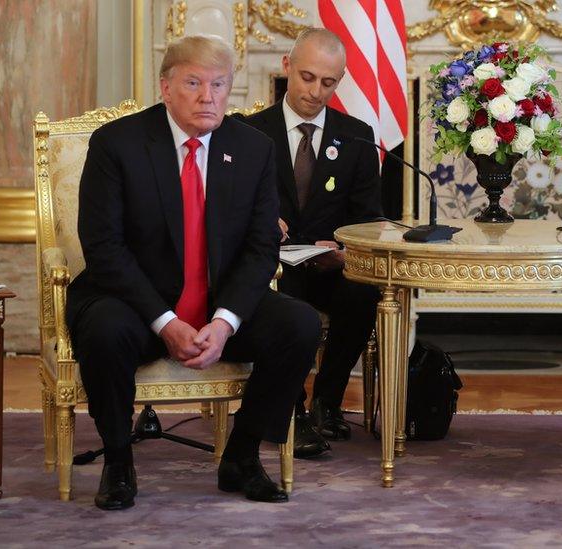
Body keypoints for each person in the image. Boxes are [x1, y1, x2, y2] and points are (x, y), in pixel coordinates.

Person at [67, 35, 323, 510]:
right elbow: (104, 248)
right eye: (194, 83)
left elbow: (261, 246)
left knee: (300, 323)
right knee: (102, 330)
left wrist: (225, 323)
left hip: (216, 306)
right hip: (135, 305)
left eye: (219, 85)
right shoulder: (117, 144)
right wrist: (166, 322)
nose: (209, 97)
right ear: (166, 87)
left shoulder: (252, 148)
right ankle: (118, 462)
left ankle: (242, 455)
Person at [241, 28, 381, 456]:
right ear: (286, 67)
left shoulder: (356, 137)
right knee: (286, 302)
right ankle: (292, 411)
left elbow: (368, 220)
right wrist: (263, 223)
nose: (315, 91)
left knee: (364, 292)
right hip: (271, 268)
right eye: (306, 77)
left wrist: (343, 254)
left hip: (329, 265)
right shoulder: (247, 133)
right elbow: (227, 209)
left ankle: (327, 402)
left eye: (328, 82)